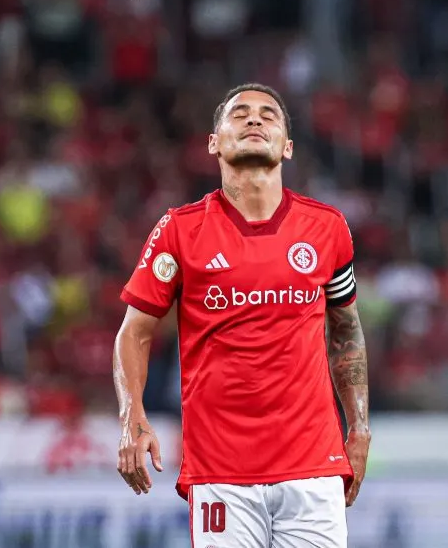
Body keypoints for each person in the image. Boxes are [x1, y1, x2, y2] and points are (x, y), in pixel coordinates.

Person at [114, 83, 370, 547]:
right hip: (221, 472)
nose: (255, 120)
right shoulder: (179, 230)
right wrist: (134, 416)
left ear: (287, 147)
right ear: (214, 142)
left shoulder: (328, 229)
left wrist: (360, 428)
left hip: (313, 466)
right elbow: (134, 332)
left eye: (269, 115)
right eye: (240, 114)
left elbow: (346, 332)